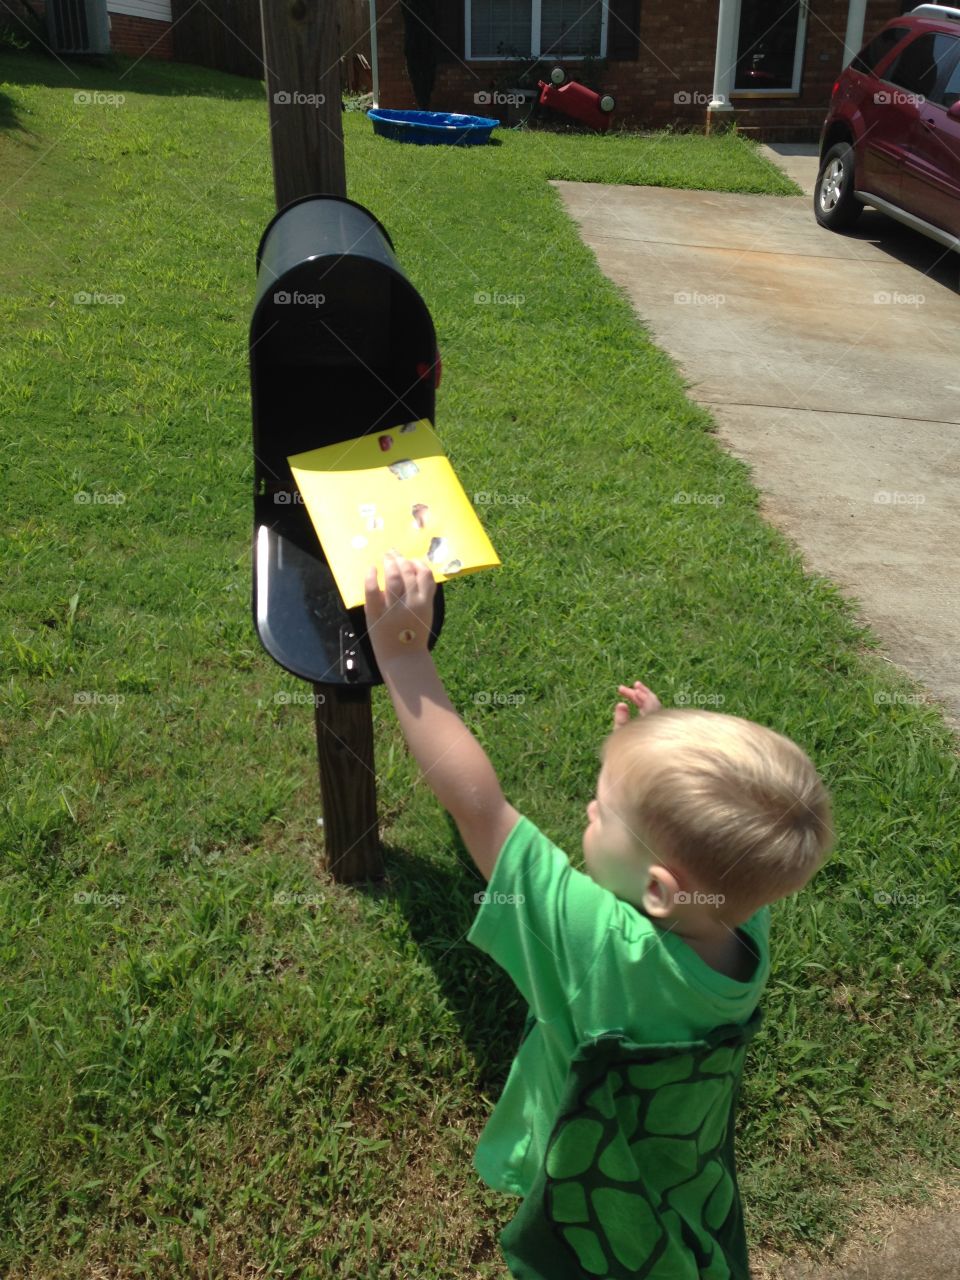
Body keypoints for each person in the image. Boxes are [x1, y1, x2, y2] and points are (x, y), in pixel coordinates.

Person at [363, 550, 836, 1279]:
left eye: (603, 810)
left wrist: (403, 659)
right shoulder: (743, 927)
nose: (587, 807)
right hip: (680, 1190)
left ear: (657, 891)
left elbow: (480, 809)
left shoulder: (596, 948)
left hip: (594, 1226)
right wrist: (647, 751)